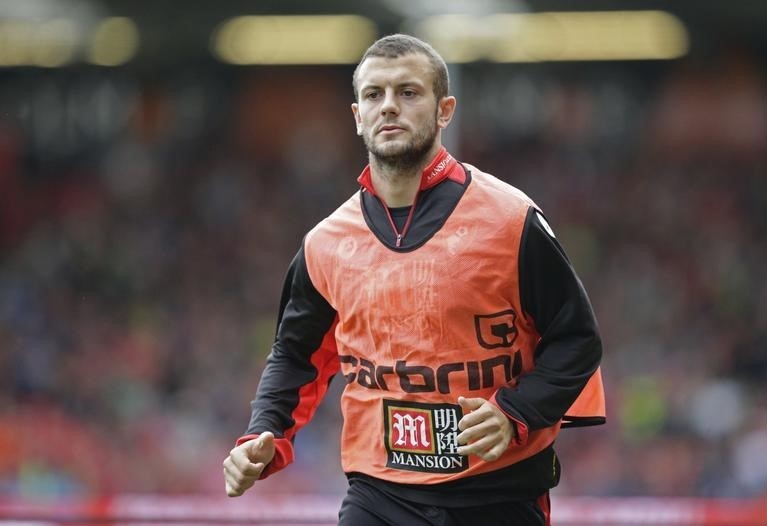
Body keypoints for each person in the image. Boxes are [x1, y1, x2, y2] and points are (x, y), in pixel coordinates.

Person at [223, 33, 605, 526]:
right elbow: (295, 355)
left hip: (500, 492)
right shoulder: (325, 243)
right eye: (374, 95)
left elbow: (577, 340)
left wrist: (516, 412)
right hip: (378, 496)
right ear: (357, 115)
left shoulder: (511, 220)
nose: (389, 107)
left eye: (408, 93)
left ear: (445, 110)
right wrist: (265, 433)